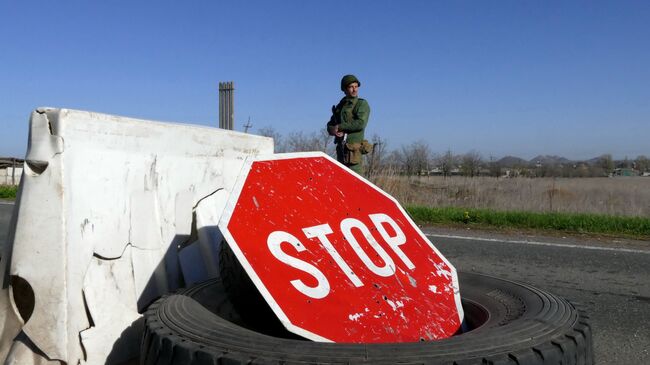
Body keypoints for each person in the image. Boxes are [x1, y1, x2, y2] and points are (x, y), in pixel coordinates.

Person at [326, 74, 371, 174]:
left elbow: (360, 123)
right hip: (341, 151)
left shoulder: (361, 104)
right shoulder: (340, 106)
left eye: (356, 86)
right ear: (345, 89)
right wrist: (333, 130)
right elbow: (330, 124)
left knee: (356, 183)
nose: (355, 90)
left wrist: (341, 127)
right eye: (351, 87)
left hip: (353, 152)